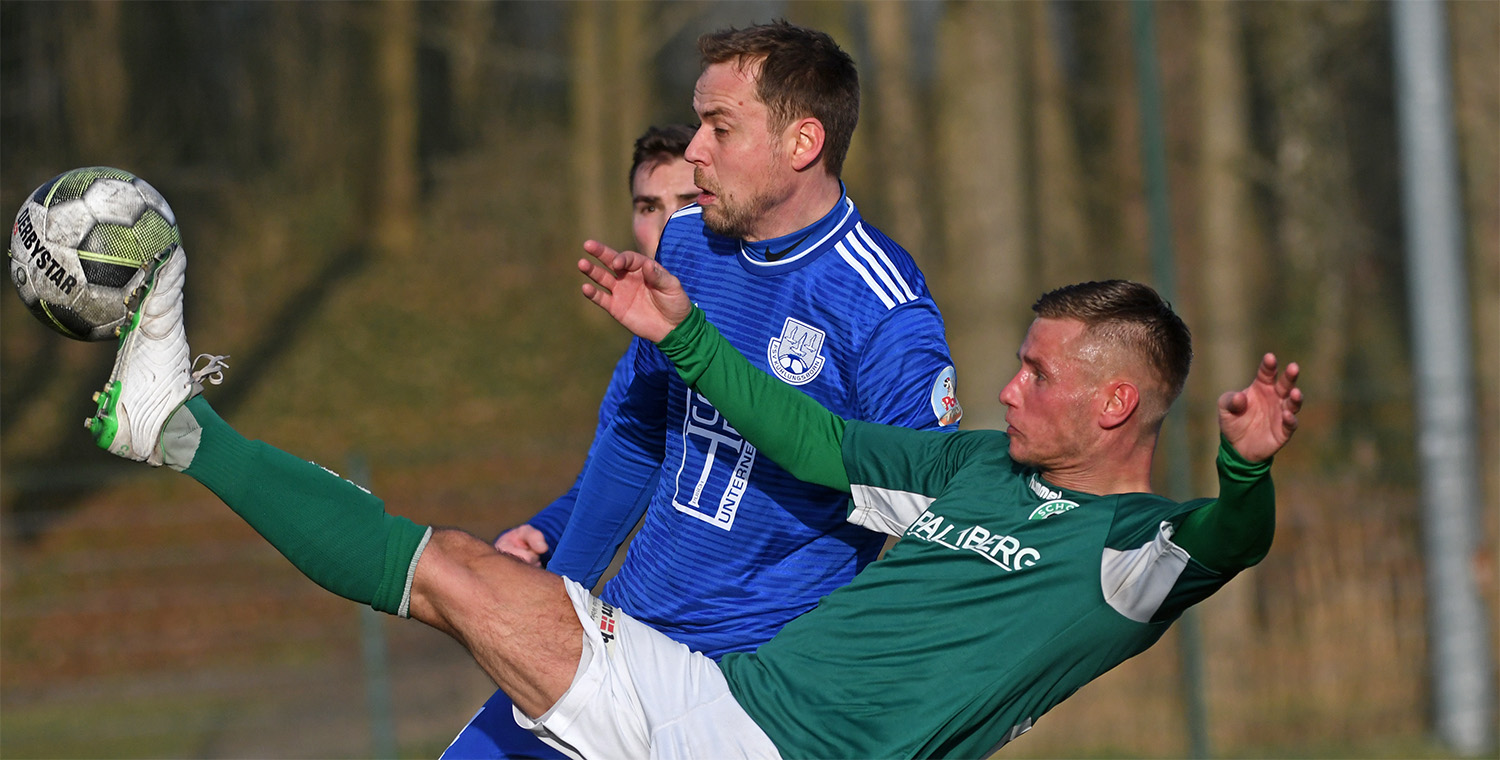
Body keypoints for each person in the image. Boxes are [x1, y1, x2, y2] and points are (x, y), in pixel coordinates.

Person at [83, 227, 1300, 757]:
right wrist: (686, 336)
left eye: (1037, 372)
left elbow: (1231, 535)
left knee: (458, 574)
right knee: (455, 566)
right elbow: (815, 441)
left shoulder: (1134, 550)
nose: (1009, 383)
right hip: (718, 709)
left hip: (763, 750)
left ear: (1116, 404)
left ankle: (182, 428)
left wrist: (1245, 468)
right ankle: (179, 429)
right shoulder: (972, 465)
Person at [454, 21, 963, 755]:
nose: (693, 150)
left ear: (802, 143)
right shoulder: (691, 241)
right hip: (623, 633)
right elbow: (637, 432)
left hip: (747, 690)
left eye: (720, 127)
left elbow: (930, 529)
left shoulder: (883, 311)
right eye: (697, 122)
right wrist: (548, 605)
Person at [446, 124, 700, 760]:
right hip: (620, 637)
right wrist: (545, 534)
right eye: (650, 208)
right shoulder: (641, 360)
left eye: (688, 205)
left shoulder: (766, 341)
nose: (668, 226)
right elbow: (612, 482)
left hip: (714, 671)